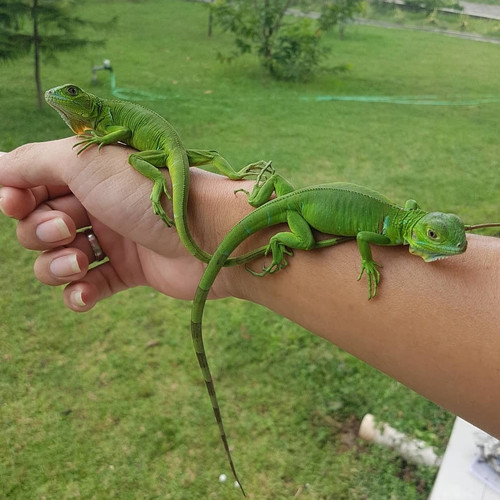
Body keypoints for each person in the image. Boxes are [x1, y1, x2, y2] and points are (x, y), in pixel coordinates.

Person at [0, 138, 499, 439]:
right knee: (302, 241)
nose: (446, 246)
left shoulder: (405, 218)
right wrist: (365, 264)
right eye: (436, 235)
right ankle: (279, 246)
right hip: (298, 215)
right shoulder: (388, 230)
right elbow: (365, 238)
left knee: (307, 235)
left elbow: (402, 218)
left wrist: (213, 227)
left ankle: (264, 205)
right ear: (419, 229)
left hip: (293, 197)